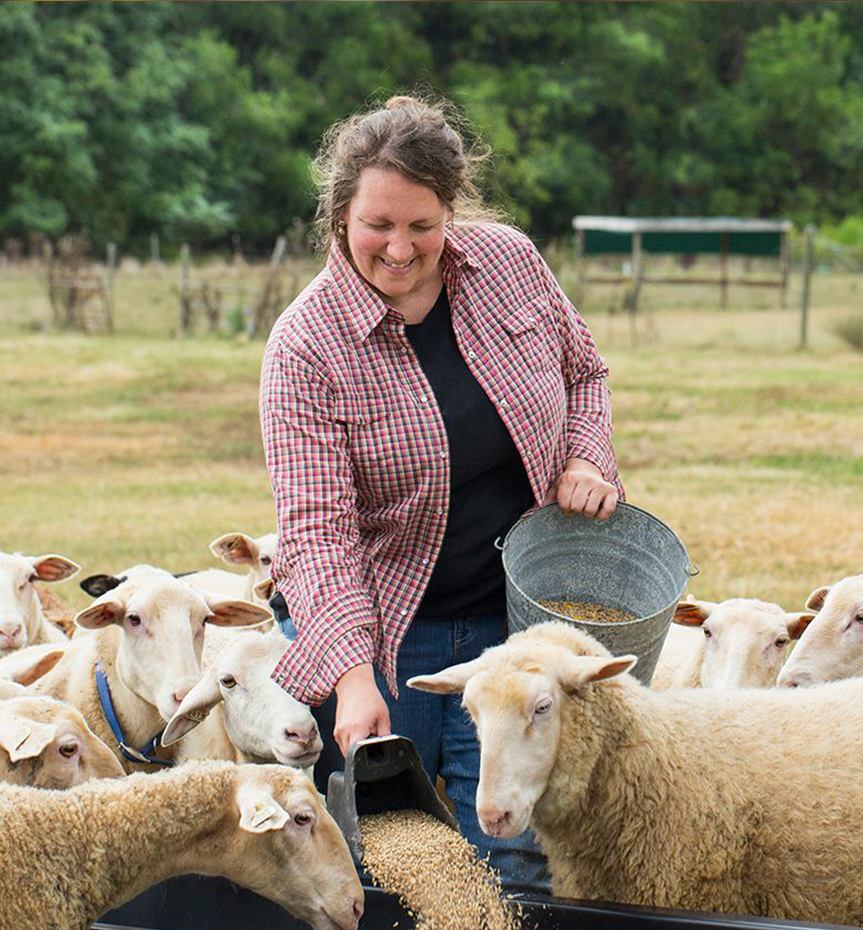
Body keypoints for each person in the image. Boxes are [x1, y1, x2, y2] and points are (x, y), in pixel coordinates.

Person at [259, 94, 623, 894]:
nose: (399, 248)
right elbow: (318, 534)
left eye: (422, 226)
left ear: (451, 210)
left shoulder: (509, 265)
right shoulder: (305, 347)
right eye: (377, 225)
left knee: (518, 852)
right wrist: (353, 678)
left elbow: (583, 374)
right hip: (392, 635)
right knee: (399, 862)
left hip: (518, 623)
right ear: (339, 215)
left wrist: (586, 459)